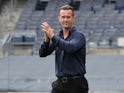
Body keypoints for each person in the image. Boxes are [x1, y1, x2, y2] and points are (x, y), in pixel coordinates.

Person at [39, 4, 89, 93]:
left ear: (73, 18)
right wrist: (47, 40)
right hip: (60, 84)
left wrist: (52, 36)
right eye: (63, 17)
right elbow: (42, 53)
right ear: (59, 18)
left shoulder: (79, 36)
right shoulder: (58, 37)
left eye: (68, 17)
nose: (65, 20)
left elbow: (70, 47)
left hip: (76, 85)